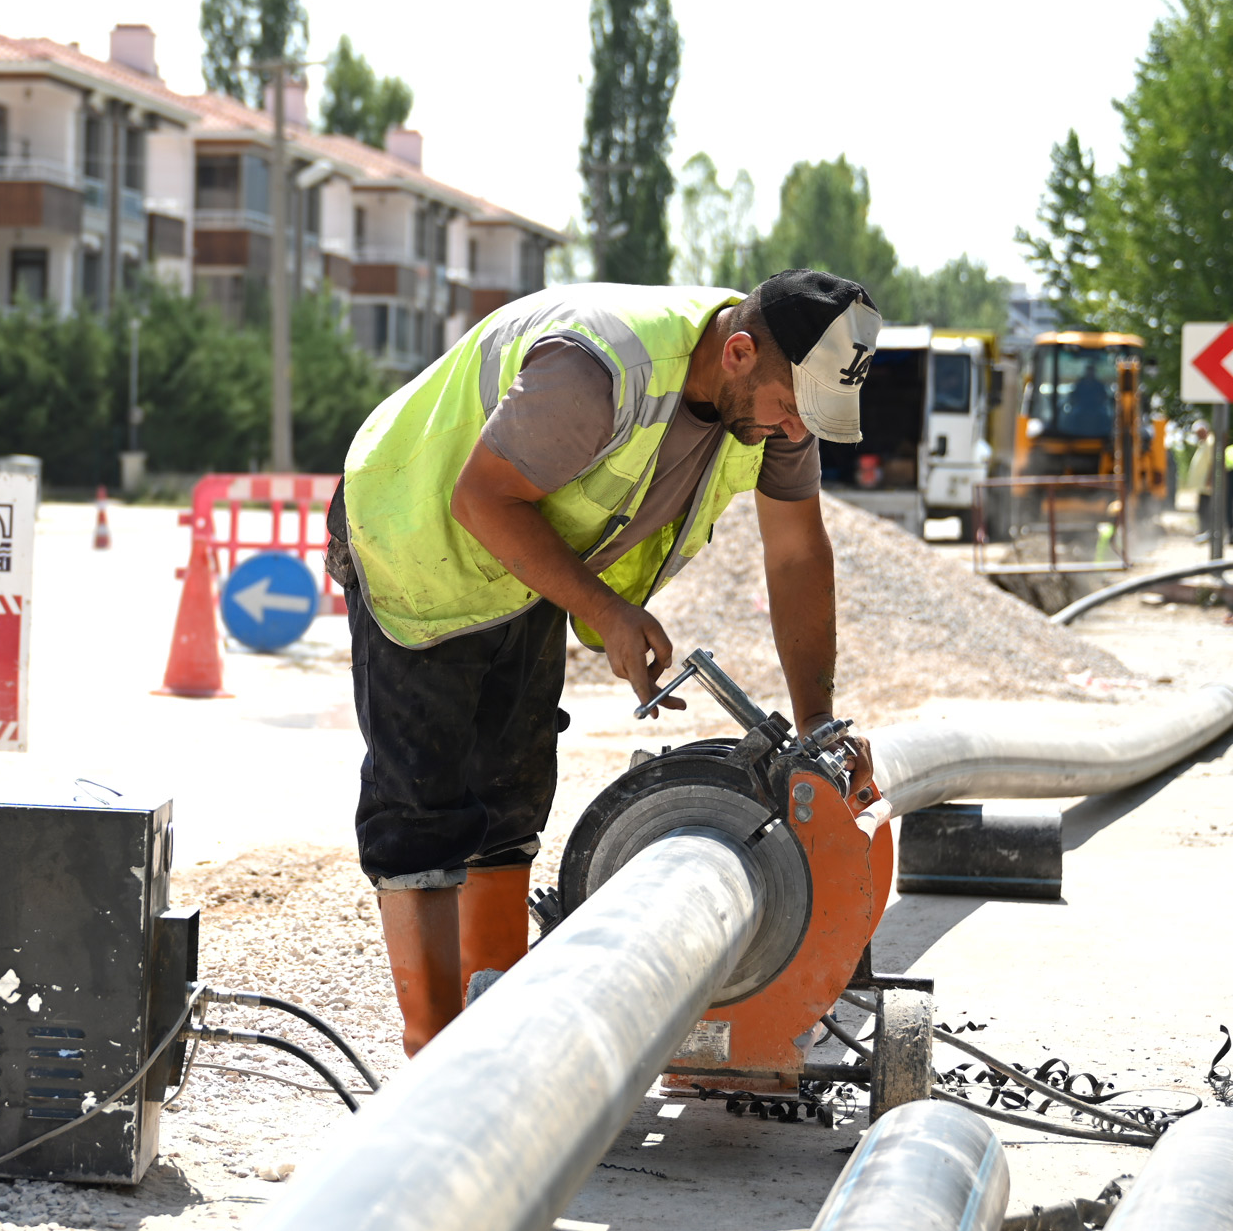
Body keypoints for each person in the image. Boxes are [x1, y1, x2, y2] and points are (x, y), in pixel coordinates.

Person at [327, 270, 885, 1055]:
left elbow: (795, 556)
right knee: (422, 802)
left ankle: (492, 1035)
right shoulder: (600, 371)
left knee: (512, 790)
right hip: (416, 532)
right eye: (791, 407)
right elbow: (482, 500)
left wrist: (819, 723)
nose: (795, 430)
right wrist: (606, 611)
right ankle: (433, 1053)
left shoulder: (774, 410)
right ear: (736, 354)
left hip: (520, 555)